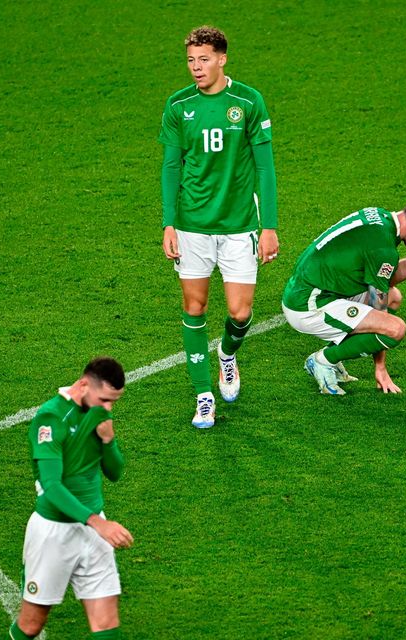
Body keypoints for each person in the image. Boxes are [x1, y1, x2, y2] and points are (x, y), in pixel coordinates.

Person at [158, 25, 280, 428]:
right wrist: (169, 224)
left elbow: (265, 167)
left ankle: (228, 355)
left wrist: (270, 226)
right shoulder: (178, 106)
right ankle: (203, 395)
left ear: (222, 58)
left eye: (204, 59)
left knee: (240, 312)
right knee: (194, 307)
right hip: (192, 226)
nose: (196, 67)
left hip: (239, 225)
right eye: (191, 60)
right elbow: (172, 167)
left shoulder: (248, 101)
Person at [8, 357, 133, 640]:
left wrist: (109, 441)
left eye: (114, 401)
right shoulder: (51, 418)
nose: (108, 408)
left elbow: (115, 473)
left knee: (106, 623)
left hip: (94, 530)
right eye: (105, 400)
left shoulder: (98, 414)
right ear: (84, 385)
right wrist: (97, 524)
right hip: (53, 532)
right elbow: (51, 486)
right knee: (31, 624)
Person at [281, 193, 406, 395]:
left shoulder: (379, 216)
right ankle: (323, 360)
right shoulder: (383, 248)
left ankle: (332, 357)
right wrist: (380, 367)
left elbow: (386, 278)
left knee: (394, 297)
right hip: (307, 306)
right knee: (395, 329)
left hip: (315, 288)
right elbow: (378, 307)